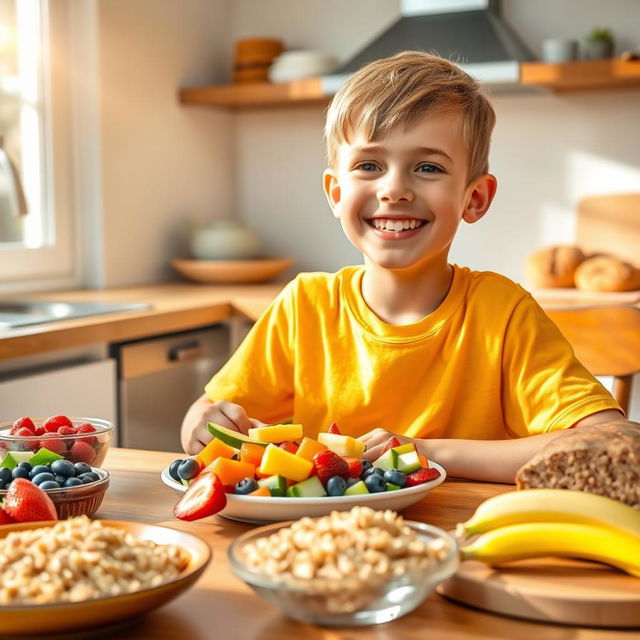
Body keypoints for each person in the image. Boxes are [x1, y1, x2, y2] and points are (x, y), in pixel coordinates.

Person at [181, 51, 631, 483]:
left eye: (428, 167)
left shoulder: (503, 312)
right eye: (370, 165)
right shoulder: (304, 307)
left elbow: (610, 440)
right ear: (336, 194)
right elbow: (204, 422)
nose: (394, 189)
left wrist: (425, 452)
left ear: (474, 198)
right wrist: (202, 422)